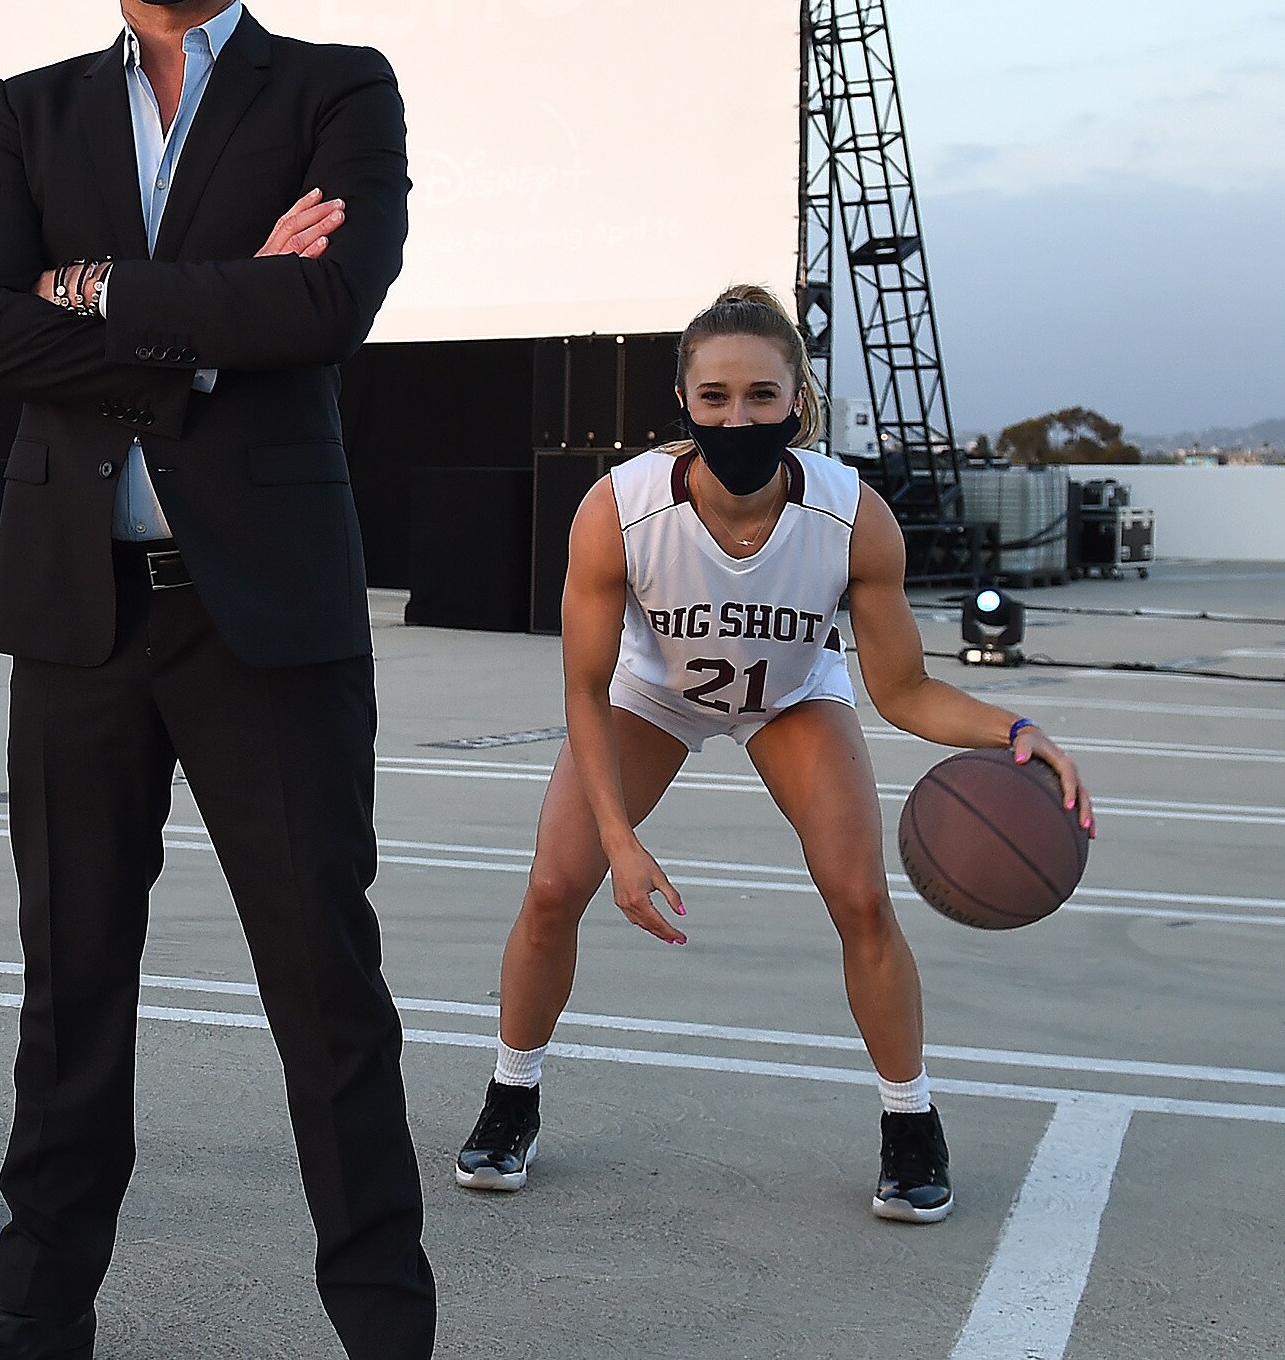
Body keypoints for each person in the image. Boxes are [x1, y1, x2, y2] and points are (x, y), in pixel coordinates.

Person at [0, 0, 428, 1360]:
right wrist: (200, 313)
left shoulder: (339, 89)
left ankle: (381, 1324)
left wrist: (97, 294)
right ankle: (38, 1316)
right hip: (79, 617)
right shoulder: (30, 109)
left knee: (324, 990)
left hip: (264, 615)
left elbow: (325, 305)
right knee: (71, 992)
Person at [452, 284, 1095, 1225]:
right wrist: (620, 840)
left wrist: (1013, 730)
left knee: (863, 898)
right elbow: (584, 690)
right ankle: (513, 1096)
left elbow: (904, 690)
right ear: (684, 399)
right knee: (556, 888)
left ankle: (911, 1122)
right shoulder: (619, 508)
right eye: (715, 396)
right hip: (655, 694)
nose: (738, 415)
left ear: (799, 399)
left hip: (791, 695)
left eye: (761, 395)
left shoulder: (850, 514)